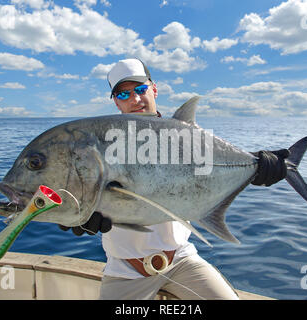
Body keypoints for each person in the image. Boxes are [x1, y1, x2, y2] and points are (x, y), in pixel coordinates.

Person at [59, 58, 289, 300]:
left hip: (182, 260)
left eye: (140, 89)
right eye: (124, 95)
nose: (135, 99)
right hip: (125, 271)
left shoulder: (184, 136)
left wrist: (256, 166)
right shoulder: (105, 142)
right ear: (116, 102)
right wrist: (75, 211)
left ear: (154, 89)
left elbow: (214, 164)